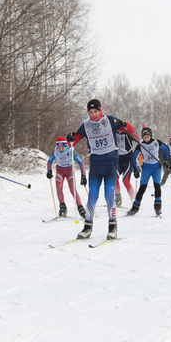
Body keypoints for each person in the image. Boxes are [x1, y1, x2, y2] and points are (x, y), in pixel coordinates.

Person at [67, 99, 135, 240]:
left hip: (111, 162)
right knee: (92, 194)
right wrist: (71, 138)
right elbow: (73, 141)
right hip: (96, 163)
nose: (93, 114)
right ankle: (87, 227)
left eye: (95, 111)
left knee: (109, 192)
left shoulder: (110, 121)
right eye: (90, 112)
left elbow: (131, 130)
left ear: (100, 110)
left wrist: (123, 123)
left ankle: (112, 227)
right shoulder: (86, 125)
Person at [127, 127, 170, 216]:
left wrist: (167, 161)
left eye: (147, 137)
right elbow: (134, 157)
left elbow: (166, 148)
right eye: (144, 137)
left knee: (157, 186)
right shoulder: (140, 145)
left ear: (150, 136)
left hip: (156, 168)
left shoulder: (156, 142)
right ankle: (135, 207)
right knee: (142, 188)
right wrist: (135, 170)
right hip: (146, 168)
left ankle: (158, 207)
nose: (146, 139)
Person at [46, 137, 86, 218]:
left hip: (69, 171)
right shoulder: (55, 151)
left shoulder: (71, 151)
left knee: (72, 190)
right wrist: (49, 171)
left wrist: (83, 175)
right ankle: (62, 207)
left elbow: (81, 162)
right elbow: (49, 162)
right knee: (59, 188)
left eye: (62, 147)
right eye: (59, 147)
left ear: (65, 146)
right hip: (60, 171)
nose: (60, 149)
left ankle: (81, 208)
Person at [114, 128, 137, 207]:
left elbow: (138, 139)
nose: (119, 131)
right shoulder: (114, 134)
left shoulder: (127, 134)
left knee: (126, 181)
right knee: (114, 179)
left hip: (128, 160)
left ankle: (134, 201)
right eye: (118, 129)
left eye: (121, 129)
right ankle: (118, 198)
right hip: (118, 160)